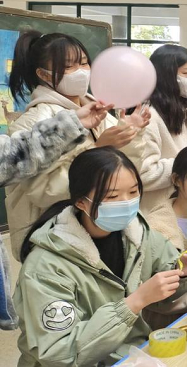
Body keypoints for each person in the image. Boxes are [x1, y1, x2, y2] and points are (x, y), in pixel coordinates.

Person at [13, 147, 187, 366]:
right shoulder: (45, 266)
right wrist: (134, 302)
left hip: (129, 355)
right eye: (112, 196)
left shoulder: (137, 233)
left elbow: (165, 286)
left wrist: (181, 272)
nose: (126, 203)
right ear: (81, 202)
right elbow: (59, 353)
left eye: (133, 192)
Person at [5, 31, 148, 260]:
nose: (81, 71)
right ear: (43, 74)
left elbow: (130, 171)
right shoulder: (34, 122)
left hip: (103, 232)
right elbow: (44, 191)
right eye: (68, 66)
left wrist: (130, 135)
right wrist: (98, 150)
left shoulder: (98, 110)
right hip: (55, 240)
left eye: (83, 63)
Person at [0, 101, 119, 331]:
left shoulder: (97, 114)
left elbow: (13, 155)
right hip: (52, 236)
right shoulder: (35, 116)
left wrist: (72, 124)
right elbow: (43, 187)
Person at [139, 45, 187, 215]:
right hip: (158, 212)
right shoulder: (149, 117)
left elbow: (178, 150)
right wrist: (186, 163)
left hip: (180, 207)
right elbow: (144, 175)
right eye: (186, 73)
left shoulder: (179, 110)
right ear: (167, 75)